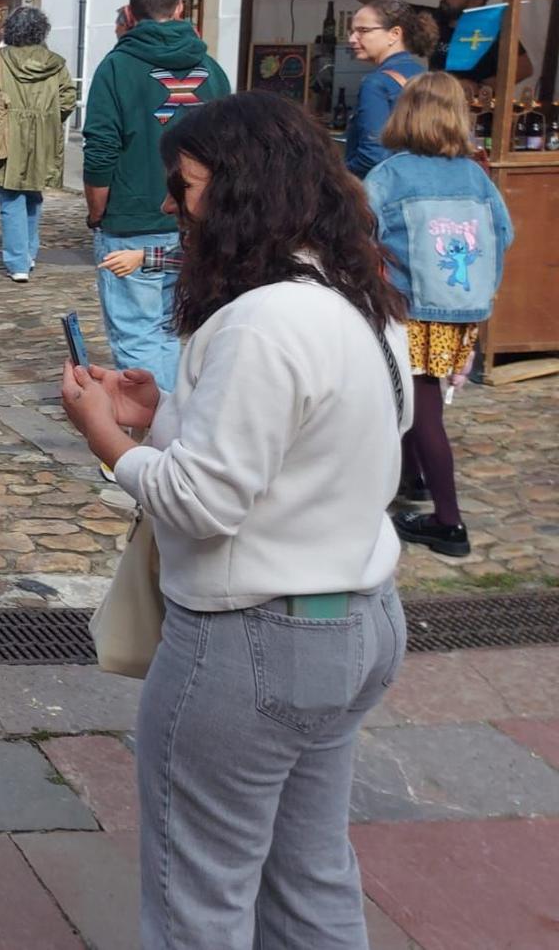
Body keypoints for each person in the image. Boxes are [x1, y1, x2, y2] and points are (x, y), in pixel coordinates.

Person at [58, 92, 410, 950]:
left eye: (185, 188)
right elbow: (316, 450)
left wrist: (110, 442)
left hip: (254, 642)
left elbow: (204, 502)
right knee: (312, 876)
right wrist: (167, 412)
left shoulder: (263, 321)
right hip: (357, 620)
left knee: (199, 897)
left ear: (242, 189)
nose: (176, 211)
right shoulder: (357, 298)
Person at [365, 73, 513, 559]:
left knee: (422, 405)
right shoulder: (474, 174)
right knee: (417, 391)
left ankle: (449, 524)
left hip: (409, 304)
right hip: (461, 307)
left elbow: (360, 235)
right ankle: (414, 479)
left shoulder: (389, 174)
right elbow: (504, 234)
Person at [82, 0, 230, 386]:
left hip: (133, 218)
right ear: (180, 8)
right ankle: (176, 415)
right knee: (171, 331)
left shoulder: (116, 68)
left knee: (137, 333)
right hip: (198, 219)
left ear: (130, 14)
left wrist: (98, 211)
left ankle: (161, 425)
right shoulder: (212, 68)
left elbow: (101, 148)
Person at [0, 7, 78, 282]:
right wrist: (51, 118)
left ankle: (17, 260)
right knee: (33, 193)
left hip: (8, 132)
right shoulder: (56, 62)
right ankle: (28, 253)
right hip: (44, 133)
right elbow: (67, 98)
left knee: (10, 196)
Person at [317, 0, 500, 84]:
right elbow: (387, 3)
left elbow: (524, 69)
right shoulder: (434, 19)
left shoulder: (493, 30)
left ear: (476, 0)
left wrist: (479, 86)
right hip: (438, 106)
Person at [343, 0, 433, 177]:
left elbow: (372, 155)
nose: (352, 39)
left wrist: (338, 176)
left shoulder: (376, 83)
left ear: (394, 34)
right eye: (352, 32)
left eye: (363, 31)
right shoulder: (427, 77)